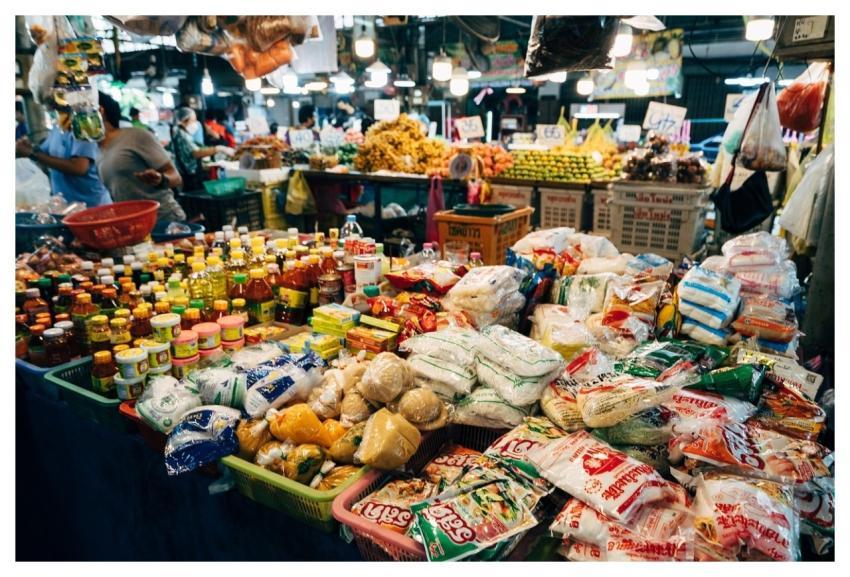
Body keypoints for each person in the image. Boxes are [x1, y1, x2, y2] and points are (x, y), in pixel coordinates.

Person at [95, 91, 187, 222]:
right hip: (134, 225)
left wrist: (161, 179)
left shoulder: (136, 136)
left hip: (164, 221)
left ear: (100, 110)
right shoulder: (98, 150)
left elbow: (176, 178)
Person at [15, 108, 112, 207]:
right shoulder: (59, 126)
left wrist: (33, 154)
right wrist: (27, 149)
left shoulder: (83, 123)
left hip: (90, 205)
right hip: (66, 205)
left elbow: (79, 167)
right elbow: (43, 154)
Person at [171, 107, 234, 191]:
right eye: (193, 120)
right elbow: (195, 152)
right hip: (188, 176)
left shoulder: (183, 133)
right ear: (185, 120)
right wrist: (219, 148)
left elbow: (196, 148)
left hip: (190, 174)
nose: (195, 124)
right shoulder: (181, 134)